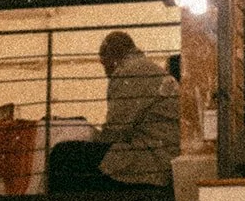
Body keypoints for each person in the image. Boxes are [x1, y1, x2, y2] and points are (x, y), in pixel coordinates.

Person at [49, 31, 179, 191]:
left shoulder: (128, 73)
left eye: (104, 64)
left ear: (113, 57)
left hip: (151, 162)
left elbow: (115, 132)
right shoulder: (148, 68)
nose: (106, 73)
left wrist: (91, 135)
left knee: (62, 155)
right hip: (164, 156)